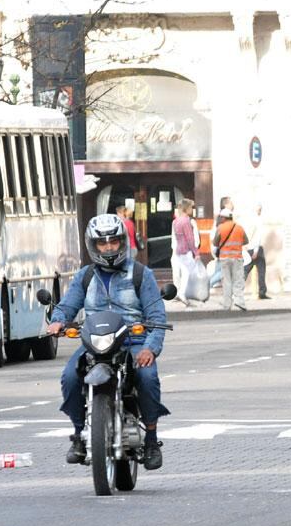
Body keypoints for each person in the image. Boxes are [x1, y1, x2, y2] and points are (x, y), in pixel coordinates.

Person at [48, 214, 170, 470]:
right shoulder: (85, 276)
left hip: (133, 341)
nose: (109, 247)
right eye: (102, 243)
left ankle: (150, 439)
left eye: (113, 241)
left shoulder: (140, 274)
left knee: (147, 377)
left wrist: (150, 347)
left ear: (122, 242)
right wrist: (58, 321)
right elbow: (67, 306)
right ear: (93, 245)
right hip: (95, 341)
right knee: (70, 376)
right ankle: (80, 434)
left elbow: (157, 316)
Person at [213, 208, 249, 311]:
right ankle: (239, 301)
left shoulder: (220, 228)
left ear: (223, 218)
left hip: (224, 259)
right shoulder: (240, 228)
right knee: (238, 280)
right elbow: (246, 241)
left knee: (227, 282)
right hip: (237, 258)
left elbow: (215, 242)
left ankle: (227, 305)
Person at [170, 199, 200, 306]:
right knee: (189, 273)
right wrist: (196, 252)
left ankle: (181, 293)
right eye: (191, 207)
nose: (192, 209)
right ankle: (183, 294)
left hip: (178, 250)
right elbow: (190, 238)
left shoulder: (176, 221)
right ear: (186, 208)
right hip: (185, 250)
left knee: (183, 273)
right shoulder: (186, 221)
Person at [243, 203, 269, 299]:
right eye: (259, 209)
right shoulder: (257, 221)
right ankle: (262, 292)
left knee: (246, 270)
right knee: (260, 270)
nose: (260, 211)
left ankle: (237, 290)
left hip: (249, 248)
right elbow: (257, 237)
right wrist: (256, 250)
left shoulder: (247, 220)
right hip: (255, 249)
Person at [209, 196, 234, 289]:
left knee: (219, 269)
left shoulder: (220, 216)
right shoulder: (226, 216)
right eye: (231, 203)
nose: (233, 205)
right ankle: (207, 284)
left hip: (219, 247)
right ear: (226, 204)